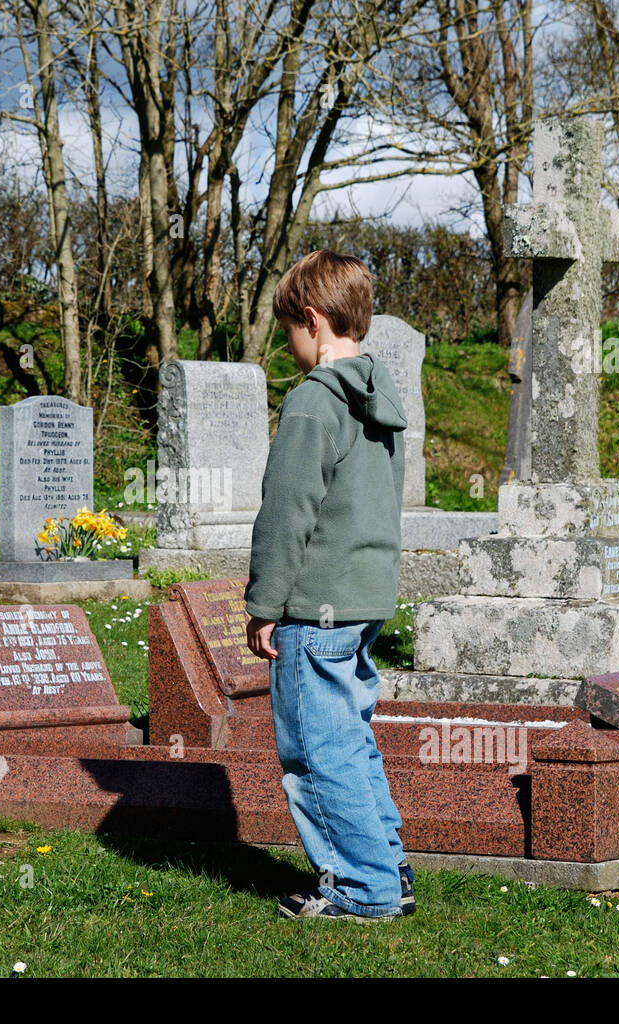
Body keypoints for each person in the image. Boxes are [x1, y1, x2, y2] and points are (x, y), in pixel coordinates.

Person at [244, 249, 414, 922]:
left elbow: (287, 512)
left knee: (314, 751)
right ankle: (386, 867)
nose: (289, 344)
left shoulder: (315, 403)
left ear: (311, 319)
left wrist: (264, 604)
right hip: (364, 598)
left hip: (315, 606)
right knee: (350, 738)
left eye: (289, 329)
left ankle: (360, 887)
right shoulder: (382, 396)